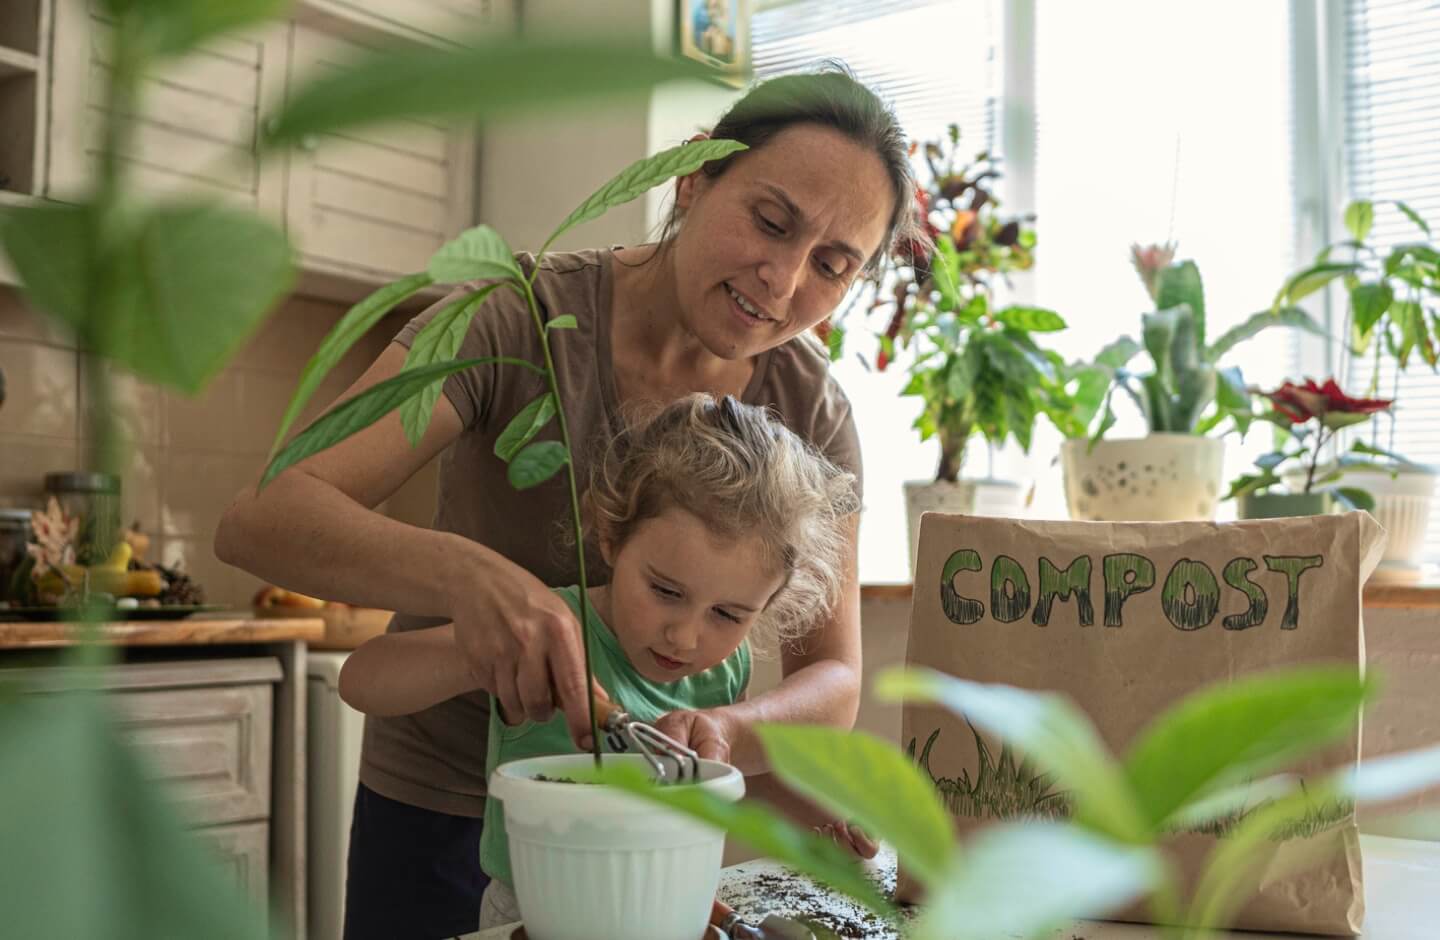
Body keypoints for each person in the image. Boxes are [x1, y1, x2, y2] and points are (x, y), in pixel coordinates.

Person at [214, 66, 919, 939]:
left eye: (832, 265)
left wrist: (725, 732)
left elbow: (834, 678)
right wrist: (473, 579)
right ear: (693, 176)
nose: (782, 280)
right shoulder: (515, 318)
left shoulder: (813, 411)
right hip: (447, 818)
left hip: (640, 833)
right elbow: (262, 517)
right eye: (771, 222)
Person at [337, 393, 861, 929]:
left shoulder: (725, 668)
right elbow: (361, 679)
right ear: (610, 536)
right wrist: (479, 658)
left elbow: (732, 774)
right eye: (665, 590)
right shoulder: (551, 630)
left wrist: (830, 817)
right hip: (536, 914)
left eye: (727, 614)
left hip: (665, 908)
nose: (684, 637)